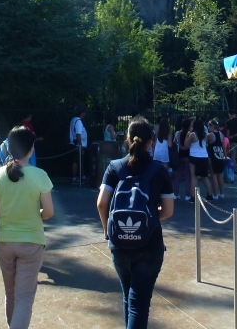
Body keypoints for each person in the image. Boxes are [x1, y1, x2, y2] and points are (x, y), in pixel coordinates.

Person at [97, 117, 173, 329]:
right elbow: (167, 211)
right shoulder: (159, 171)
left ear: (127, 139)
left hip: (119, 243)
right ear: (152, 141)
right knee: (139, 303)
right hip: (150, 243)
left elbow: (102, 203)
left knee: (128, 294)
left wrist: (107, 230)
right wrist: (148, 217)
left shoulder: (114, 167)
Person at [0, 126, 53, 329]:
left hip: (5, 241)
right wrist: (34, 215)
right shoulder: (40, 175)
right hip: (31, 242)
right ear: (31, 149)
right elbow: (49, 212)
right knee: (24, 297)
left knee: (11, 294)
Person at [185, 118, 213, 201]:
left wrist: (187, 135)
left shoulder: (192, 135)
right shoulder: (206, 135)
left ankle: (193, 197)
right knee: (204, 176)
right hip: (204, 156)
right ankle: (209, 194)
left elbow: (186, 145)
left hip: (194, 156)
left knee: (194, 177)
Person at [172, 116, 191, 200]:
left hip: (180, 155)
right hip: (188, 155)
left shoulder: (177, 133)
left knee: (178, 175)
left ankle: (175, 193)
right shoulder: (190, 134)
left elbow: (175, 142)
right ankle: (188, 195)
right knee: (188, 176)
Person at [207, 120, 226, 199]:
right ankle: (222, 193)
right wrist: (225, 155)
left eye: (209, 126)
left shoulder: (210, 135)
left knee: (213, 175)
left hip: (213, 156)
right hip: (220, 155)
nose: (208, 128)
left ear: (212, 126)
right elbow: (223, 146)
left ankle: (215, 194)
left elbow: (205, 144)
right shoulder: (221, 134)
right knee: (219, 174)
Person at [69, 107, 88, 184]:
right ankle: (75, 178)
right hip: (78, 145)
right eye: (84, 113)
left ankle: (81, 177)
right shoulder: (79, 121)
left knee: (78, 161)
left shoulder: (73, 120)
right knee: (76, 161)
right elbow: (78, 134)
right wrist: (80, 144)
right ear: (82, 113)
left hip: (74, 144)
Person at [153, 117, 172, 185]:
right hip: (164, 152)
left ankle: (157, 182)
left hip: (157, 152)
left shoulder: (158, 132)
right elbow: (170, 145)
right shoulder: (168, 133)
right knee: (165, 169)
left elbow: (155, 142)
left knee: (156, 169)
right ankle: (165, 183)